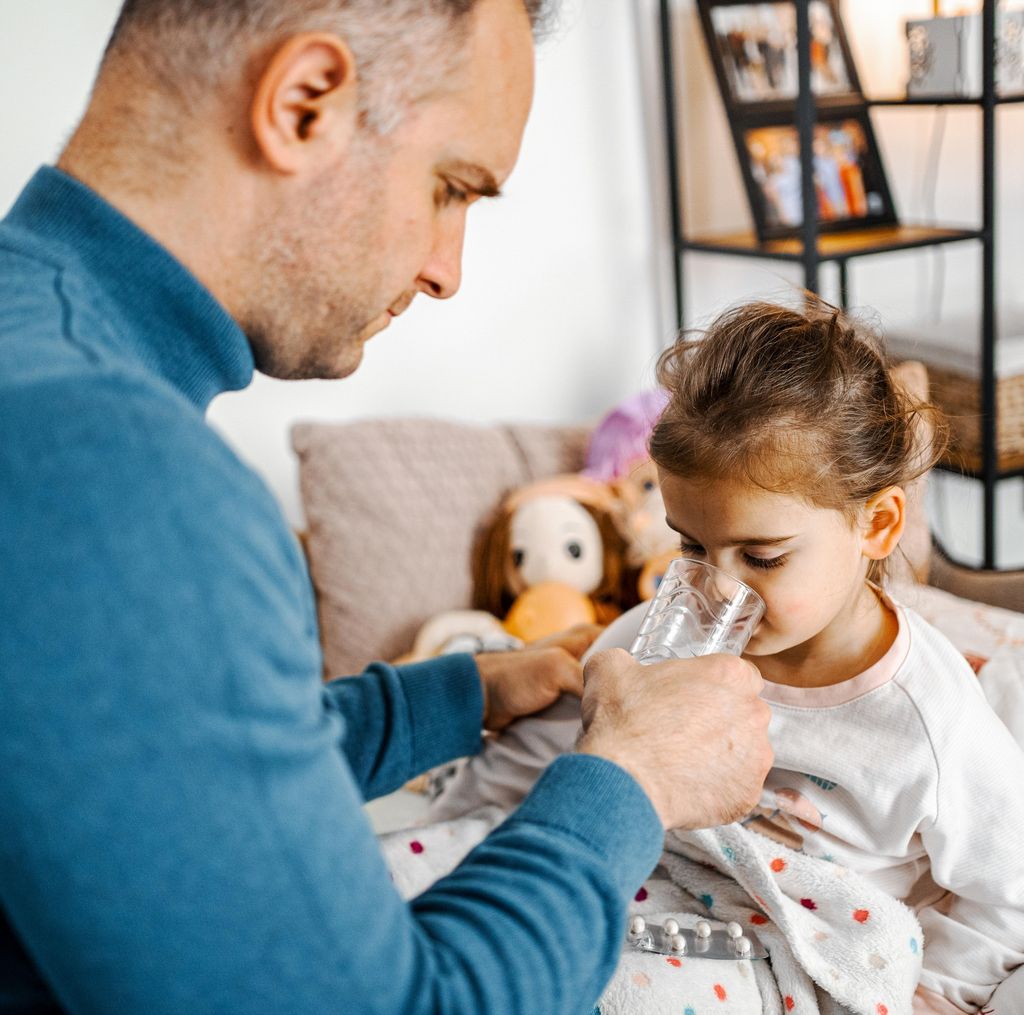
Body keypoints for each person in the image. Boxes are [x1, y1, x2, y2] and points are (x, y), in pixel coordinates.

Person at [0, 1, 774, 1012]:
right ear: (304, 102)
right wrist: (631, 777)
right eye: (451, 189)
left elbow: (153, 783)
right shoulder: (117, 475)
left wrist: (450, 700)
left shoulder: (38, 363)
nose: (448, 271)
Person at [429, 298, 1024, 1014]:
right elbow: (560, 754)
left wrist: (936, 994)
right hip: (658, 885)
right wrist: (462, 828)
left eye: (762, 557)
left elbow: (1007, 889)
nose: (716, 586)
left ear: (878, 523)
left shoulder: (928, 716)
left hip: (803, 950)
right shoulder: (656, 641)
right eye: (690, 545)